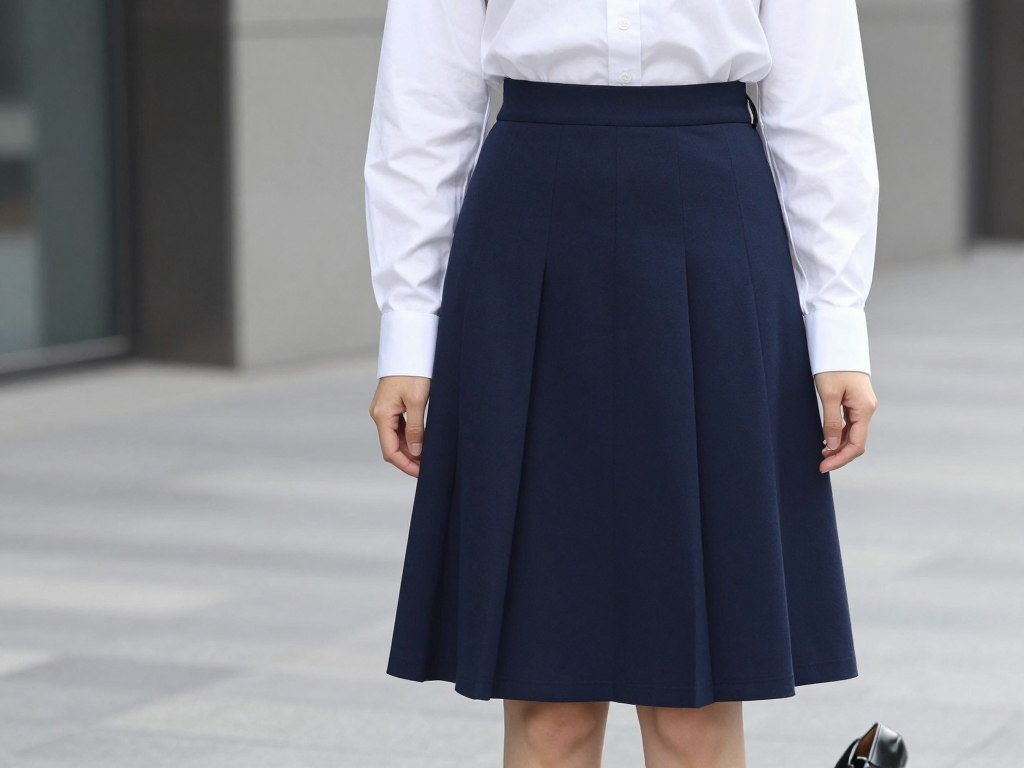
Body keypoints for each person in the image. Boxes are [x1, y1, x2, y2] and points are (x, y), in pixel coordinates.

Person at [365, 1, 880, 765]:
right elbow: (421, 97)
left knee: (694, 704)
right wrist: (408, 329)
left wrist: (837, 325)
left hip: (714, 219)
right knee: (547, 700)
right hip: (528, 226)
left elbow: (820, 100)